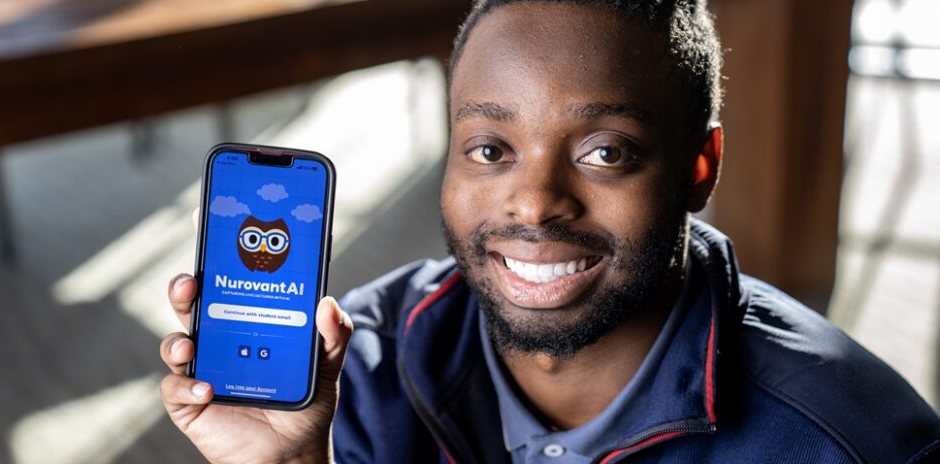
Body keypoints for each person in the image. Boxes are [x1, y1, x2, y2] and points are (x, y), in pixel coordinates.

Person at [158, 1, 940, 462]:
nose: (533, 206)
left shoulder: (855, 441)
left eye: (606, 153)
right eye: (490, 150)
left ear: (700, 167)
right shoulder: (361, 366)